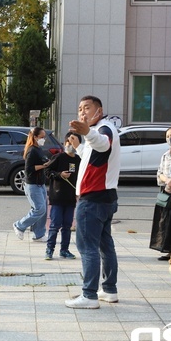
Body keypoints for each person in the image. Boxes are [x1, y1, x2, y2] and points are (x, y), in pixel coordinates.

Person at [65, 95, 120, 309]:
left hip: (94, 199)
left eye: (87, 108)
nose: (82, 112)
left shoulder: (103, 130)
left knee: (88, 247)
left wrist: (87, 131)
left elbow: (102, 144)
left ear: (99, 110)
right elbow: (93, 158)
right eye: (80, 108)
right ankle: (109, 290)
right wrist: (80, 145)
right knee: (105, 246)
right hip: (104, 197)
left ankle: (89, 295)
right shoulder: (99, 131)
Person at [44, 132, 82, 260]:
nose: (70, 145)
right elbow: (47, 171)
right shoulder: (58, 157)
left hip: (71, 198)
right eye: (68, 142)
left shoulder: (79, 159)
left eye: (73, 142)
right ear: (65, 143)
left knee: (67, 226)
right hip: (57, 197)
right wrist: (60, 175)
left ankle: (64, 250)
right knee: (55, 225)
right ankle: (49, 250)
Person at [150, 126, 171, 260]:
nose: (170, 138)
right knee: (165, 223)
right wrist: (166, 179)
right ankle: (169, 251)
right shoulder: (165, 155)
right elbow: (159, 173)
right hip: (166, 193)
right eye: (168, 136)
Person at [12, 127, 50, 242]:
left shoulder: (38, 149)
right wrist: (44, 166)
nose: (44, 139)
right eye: (42, 137)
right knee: (39, 209)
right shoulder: (31, 150)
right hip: (32, 184)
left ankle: (39, 234)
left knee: (43, 210)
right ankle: (19, 225)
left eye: (44, 137)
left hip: (40, 183)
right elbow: (28, 169)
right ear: (35, 137)